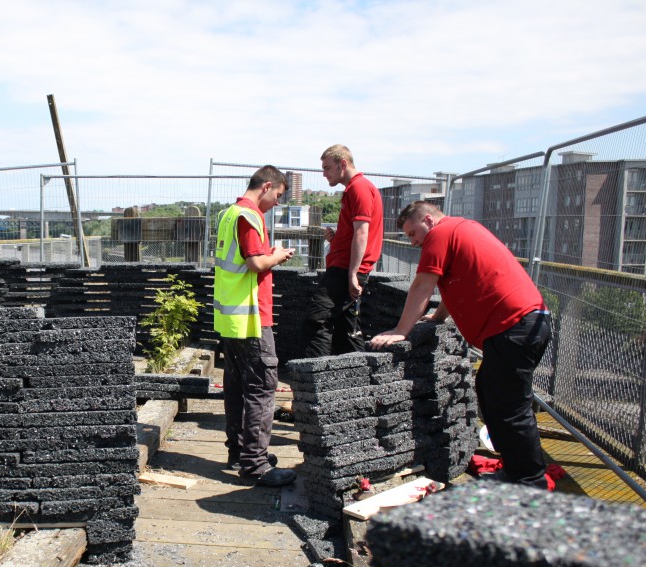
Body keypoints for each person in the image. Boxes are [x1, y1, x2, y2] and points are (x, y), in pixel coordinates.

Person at [369, 201, 552, 488]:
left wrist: (401, 330)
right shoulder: (461, 230)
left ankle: (530, 480)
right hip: (521, 325)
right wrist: (439, 315)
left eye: (413, 233)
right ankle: (518, 472)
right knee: (492, 396)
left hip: (514, 327)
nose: (413, 241)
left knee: (509, 406)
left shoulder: (440, 235)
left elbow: (423, 285)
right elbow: (462, 281)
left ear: (428, 221)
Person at [214, 165, 298, 487]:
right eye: (277, 195)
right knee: (263, 388)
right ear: (266, 186)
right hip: (250, 317)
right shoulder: (249, 216)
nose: (277, 202)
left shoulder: (229, 213)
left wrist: (269, 254)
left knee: (236, 387)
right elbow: (256, 263)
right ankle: (256, 465)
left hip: (230, 318)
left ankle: (239, 452)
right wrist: (278, 255)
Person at [301, 144, 384, 357]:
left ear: (343, 164)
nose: (324, 173)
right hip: (346, 266)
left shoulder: (359, 188)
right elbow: (357, 233)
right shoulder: (356, 189)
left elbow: (362, 233)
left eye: (327, 168)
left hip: (344, 269)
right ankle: (356, 380)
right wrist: (337, 239)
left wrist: (353, 273)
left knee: (317, 318)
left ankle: (316, 377)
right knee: (348, 331)